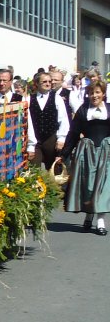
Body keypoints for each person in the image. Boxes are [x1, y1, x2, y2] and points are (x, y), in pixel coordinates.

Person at [62, 79, 110, 235]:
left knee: (103, 187)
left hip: (106, 153)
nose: (94, 95)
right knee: (89, 186)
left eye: (97, 92)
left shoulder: (109, 109)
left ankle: (101, 222)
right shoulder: (83, 111)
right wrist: (64, 153)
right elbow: (73, 133)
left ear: (103, 94)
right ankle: (89, 215)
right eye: (91, 93)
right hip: (87, 153)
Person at [25, 70, 70, 170]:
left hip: (51, 138)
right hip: (35, 139)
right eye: (44, 82)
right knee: (33, 169)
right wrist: (30, 146)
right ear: (36, 83)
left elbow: (63, 119)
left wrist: (61, 139)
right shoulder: (29, 99)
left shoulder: (57, 98)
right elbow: (27, 122)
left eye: (49, 81)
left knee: (54, 170)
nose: (48, 84)